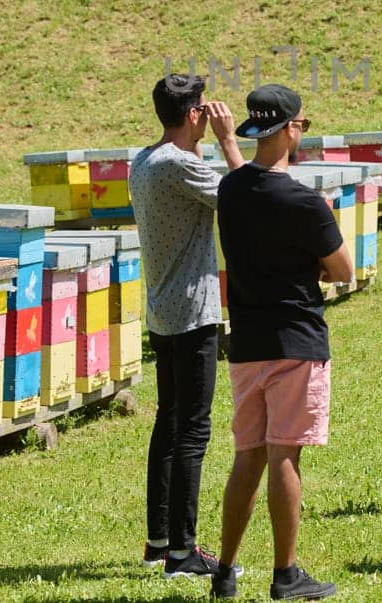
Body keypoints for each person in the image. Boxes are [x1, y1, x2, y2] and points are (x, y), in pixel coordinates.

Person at [211, 84, 355, 601]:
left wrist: (229, 143)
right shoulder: (304, 201)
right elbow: (343, 271)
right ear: (292, 128)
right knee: (284, 457)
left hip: (246, 343)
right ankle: (285, 574)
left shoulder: (230, 191)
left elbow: (244, 180)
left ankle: (225, 572)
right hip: (297, 342)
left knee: (247, 456)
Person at [131, 74, 246, 578]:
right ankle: (183, 552)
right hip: (192, 313)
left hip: (161, 312)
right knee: (194, 433)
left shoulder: (144, 160)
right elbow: (245, 197)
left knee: (170, 424)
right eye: (203, 109)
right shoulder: (179, 164)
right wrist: (226, 140)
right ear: (193, 114)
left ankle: (160, 541)